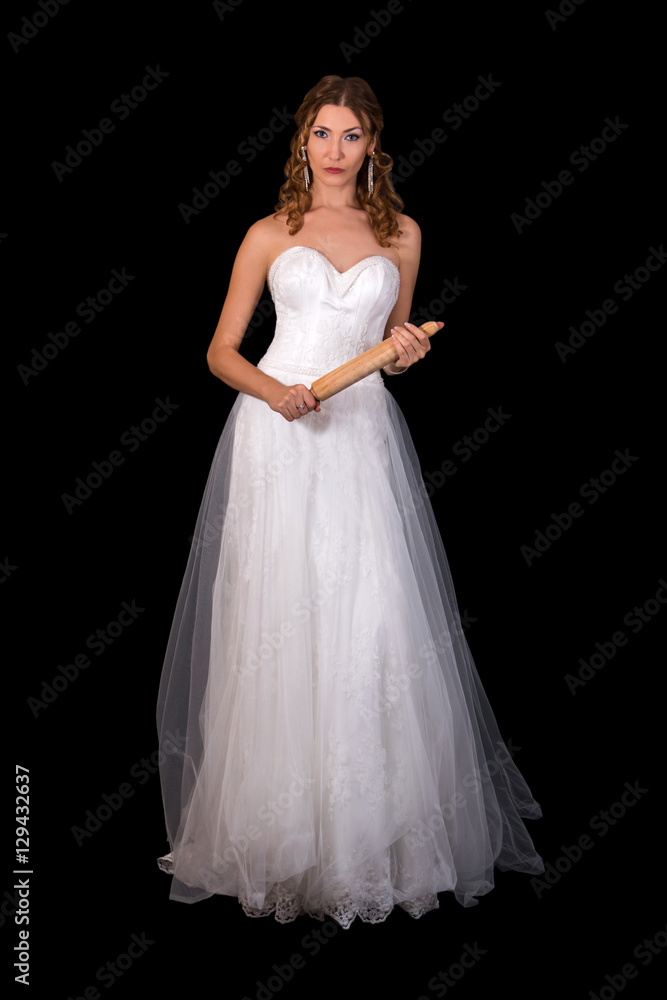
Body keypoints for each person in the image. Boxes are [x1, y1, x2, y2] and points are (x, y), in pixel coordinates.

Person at [156, 75, 544, 928]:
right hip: (278, 432)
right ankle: (280, 836)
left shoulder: (399, 233)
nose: (335, 150)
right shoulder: (269, 232)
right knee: (278, 617)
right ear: (302, 142)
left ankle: (369, 838)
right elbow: (220, 351)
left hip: (360, 434)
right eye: (322, 134)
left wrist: (404, 352)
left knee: (371, 619)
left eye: (352, 137)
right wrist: (275, 392)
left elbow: (392, 350)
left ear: (373, 147)